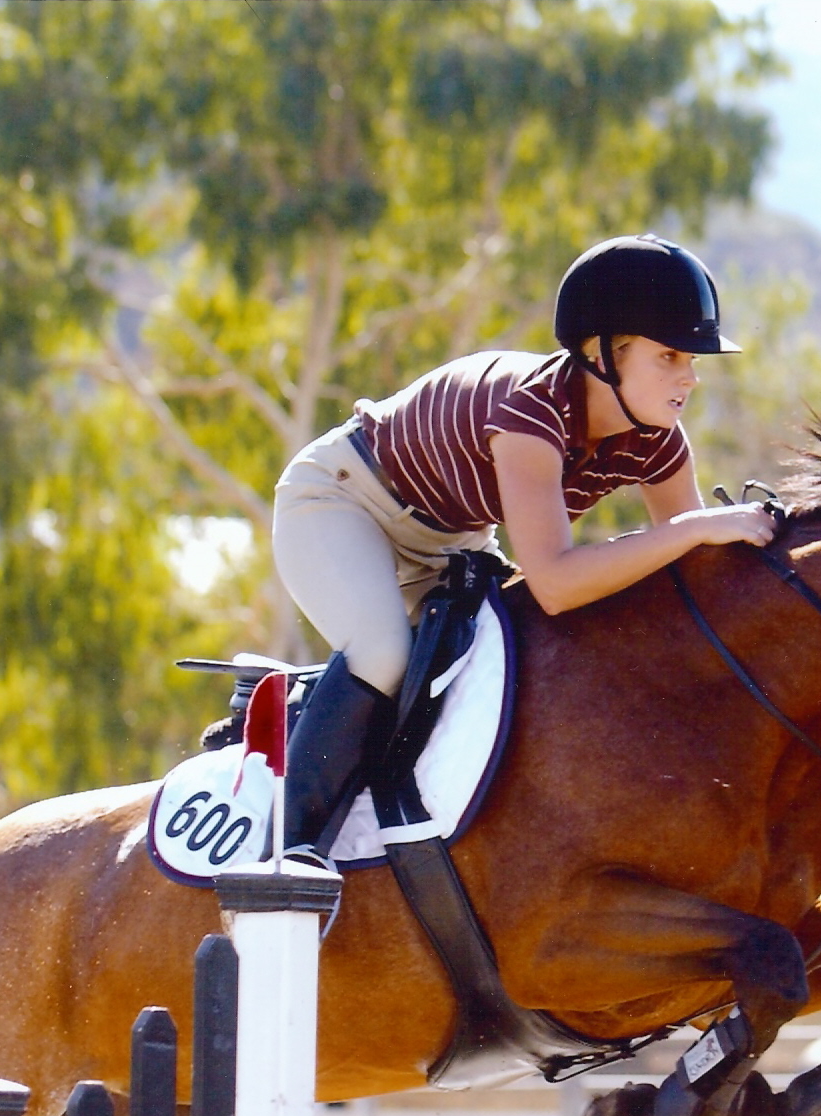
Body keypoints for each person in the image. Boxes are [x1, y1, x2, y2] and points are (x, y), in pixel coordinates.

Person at [271, 232, 776, 865]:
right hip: (342, 502)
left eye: (692, 361)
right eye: (670, 356)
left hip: (450, 541)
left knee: (514, 661)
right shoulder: (531, 412)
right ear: (600, 354)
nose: (691, 378)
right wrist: (693, 528)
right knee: (382, 651)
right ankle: (288, 860)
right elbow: (558, 583)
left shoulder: (657, 442)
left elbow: (689, 580)